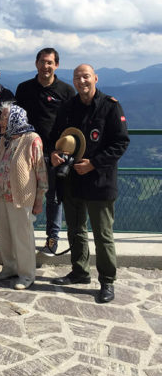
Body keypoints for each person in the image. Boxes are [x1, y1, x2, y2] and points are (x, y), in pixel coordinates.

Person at [50, 64, 130, 304]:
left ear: (95, 78)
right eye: (77, 77)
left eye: (86, 76)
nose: (82, 81)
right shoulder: (68, 107)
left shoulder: (111, 107)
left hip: (100, 181)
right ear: (73, 82)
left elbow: (121, 142)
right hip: (73, 180)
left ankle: (107, 280)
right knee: (75, 230)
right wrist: (54, 152)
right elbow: (56, 137)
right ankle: (80, 272)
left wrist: (94, 163)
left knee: (102, 235)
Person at [15, 48, 75, 256]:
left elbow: (72, 125)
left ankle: (52, 239)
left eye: (50, 62)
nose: (46, 66)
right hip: (26, 151)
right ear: (36, 63)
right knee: (23, 195)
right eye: (42, 61)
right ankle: (23, 237)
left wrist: (63, 152)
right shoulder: (24, 89)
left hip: (55, 153)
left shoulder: (66, 91)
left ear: (56, 65)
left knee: (53, 198)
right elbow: (17, 121)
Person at [0, 103, 48, 290]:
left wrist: (39, 200)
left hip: (21, 196)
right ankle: (9, 267)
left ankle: (26, 274)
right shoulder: (5, 139)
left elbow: (41, 172)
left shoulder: (32, 139)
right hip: (0, 194)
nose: (0, 122)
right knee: (4, 234)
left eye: (4, 118)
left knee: (22, 236)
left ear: (15, 118)